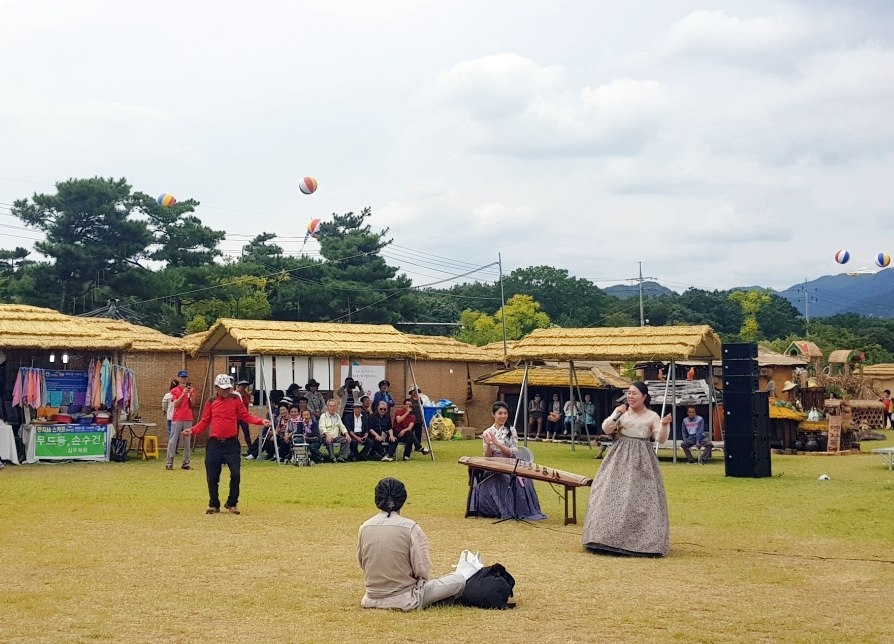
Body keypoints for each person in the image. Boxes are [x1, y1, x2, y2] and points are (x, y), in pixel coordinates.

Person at [582, 382, 672, 557]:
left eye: (635, 394)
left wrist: (665, 425)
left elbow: (660, 439)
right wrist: (616, 414)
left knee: (640, 499)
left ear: (644, 397)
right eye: (629, 393)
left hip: (642, 460)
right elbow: (606, 429)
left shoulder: (651, 416)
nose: (631, 397)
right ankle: (604, 539)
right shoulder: (622, 413)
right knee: (608, 494)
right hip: (619, 456)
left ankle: (641, 542)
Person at [357, 478, 466, 610]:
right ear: (402, 498)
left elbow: (363, 562)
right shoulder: (410, 528)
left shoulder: (365, 527)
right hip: (405, 597)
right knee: (458, 579)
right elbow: (422, 570)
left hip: (371, 597)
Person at [183, 374, 272, 515]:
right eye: (223, 389)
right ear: (216, 388)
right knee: (212, 476)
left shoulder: (236, 399)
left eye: (227, 388)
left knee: (236, 474)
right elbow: (205, 421)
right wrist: (192, 430)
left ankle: (232, 503)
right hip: (214, 444)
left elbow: (245, 415)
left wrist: (260, 421)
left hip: (231, 443)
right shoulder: (211, 401)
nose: (225, 391)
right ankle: (214, 504)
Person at [470, 401, 546, 521]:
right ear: (493, 415)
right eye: (500, 413)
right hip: (493, 464)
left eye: (505, 413)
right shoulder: (487, 432)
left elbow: (512, 452)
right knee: (488, 478)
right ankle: (490, 508)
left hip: (509, 463)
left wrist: (496, 443)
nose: (503, 416)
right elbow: (487, 455)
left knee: (514, 480)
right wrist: (489, 445)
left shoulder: (511, 430)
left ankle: (514, 509)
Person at [166, 370, 194, 471]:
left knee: (187, 441)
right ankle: (169, 462)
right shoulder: (173, 391)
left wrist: (190, 396)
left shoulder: (191, 390)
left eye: (185, 377)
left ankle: (186, 463)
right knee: (173, 440)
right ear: (178, 378)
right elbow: (176, 404)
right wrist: (183, 394)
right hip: (177, 417)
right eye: (182, 377)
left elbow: (193, 404)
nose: (183, 379)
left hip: (188, 417)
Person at [235, 380, 253, 451]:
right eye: (243, 386)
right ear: (239, 386)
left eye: (245, 386)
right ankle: (235, 449)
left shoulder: (247, 395)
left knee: (247, 433)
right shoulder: (235, 394)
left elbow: (248, 404)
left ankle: (250, 449)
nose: (244, 387)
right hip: (236, 417)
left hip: (244, 417)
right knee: (235, 434)